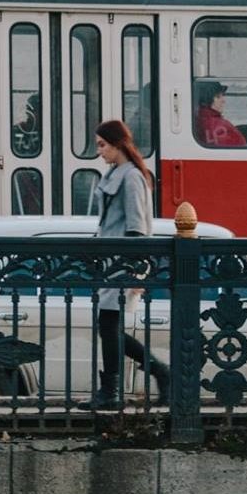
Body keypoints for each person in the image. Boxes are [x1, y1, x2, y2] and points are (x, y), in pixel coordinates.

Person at [80, 118, 170, 411]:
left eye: (102, 145)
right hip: (113, 262)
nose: (100, 151)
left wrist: (135, 270)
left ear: (118, 144)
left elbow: (136, 226)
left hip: (124, 262)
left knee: (108, 326)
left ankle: (113, 391)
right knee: (109, 326)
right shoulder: (118, 173)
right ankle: (155, 374)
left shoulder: (130, 177)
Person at [194, 79, 245, 147]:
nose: (223, 101)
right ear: (206, 100)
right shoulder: (221, 126)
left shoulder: (195, 121)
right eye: (218, 97)